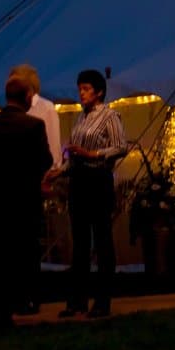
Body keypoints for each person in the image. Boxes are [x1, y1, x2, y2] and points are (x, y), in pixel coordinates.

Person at [0, 77, 54, 331]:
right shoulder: (34, 126)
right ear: (28, 97)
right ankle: (8, 311)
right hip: (23, 201)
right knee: (17, 256)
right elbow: (46, 161)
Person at [62, 69, 129, 317]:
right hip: (79, 181)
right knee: (80, 242)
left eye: (86, 89)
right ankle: (77, 300)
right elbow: (76, 154)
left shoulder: (110, 116)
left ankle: (102, 300)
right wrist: (60, 171)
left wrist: (94, 154)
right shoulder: (81, 119)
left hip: (98, 180)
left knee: (101, 240)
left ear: (99, 92)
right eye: (80, 88)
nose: (82, 93)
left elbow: (121, 146)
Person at [13, 65, 65, 313]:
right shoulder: (14, 111)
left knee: (31, 240)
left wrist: (47, 180)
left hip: (35, 181)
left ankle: (31, 294)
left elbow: (53, 150)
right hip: (15, 183)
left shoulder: (45, 109)